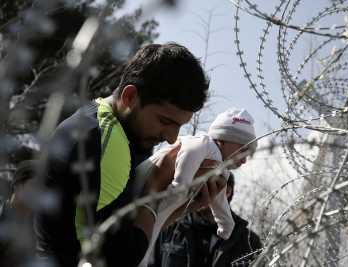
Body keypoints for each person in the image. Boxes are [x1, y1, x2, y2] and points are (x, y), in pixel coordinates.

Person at [34, 42, 226, 267]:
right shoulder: (106, 143)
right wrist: (155, 186)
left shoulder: (113, 128)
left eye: (179, 126)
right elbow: (122, 258)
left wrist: (182, 208)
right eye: (165, 121)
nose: (172, 137)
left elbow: (129, 229)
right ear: (130, 96)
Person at [138, 108, 258, 266]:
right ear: (223, 139)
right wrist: (180, 186)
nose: (244, 160)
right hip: (141, 190)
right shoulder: (203, 143)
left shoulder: (221, 171)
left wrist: (226, 223)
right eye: (243, 150)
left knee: (141, 251)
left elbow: (219, 200)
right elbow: (189, 154)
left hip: (158, 211)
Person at [152, 172, 262, 267]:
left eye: (209, 185)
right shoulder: (170, 229)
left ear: (227, 192)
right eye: (196, 184)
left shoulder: (249, 241)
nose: (200, 190)